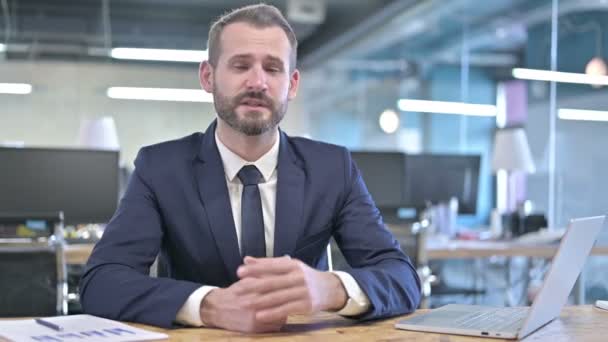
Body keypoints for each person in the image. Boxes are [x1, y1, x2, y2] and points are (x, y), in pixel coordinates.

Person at [80, 4, 421, 333]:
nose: (258, 82)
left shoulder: (332, 168)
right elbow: (102, 281)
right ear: (208, 76)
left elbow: (402, 278)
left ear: (292, 84)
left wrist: (329, 289)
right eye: (241, 65)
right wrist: (209, 305)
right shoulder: (160, 168)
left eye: (273, 69)